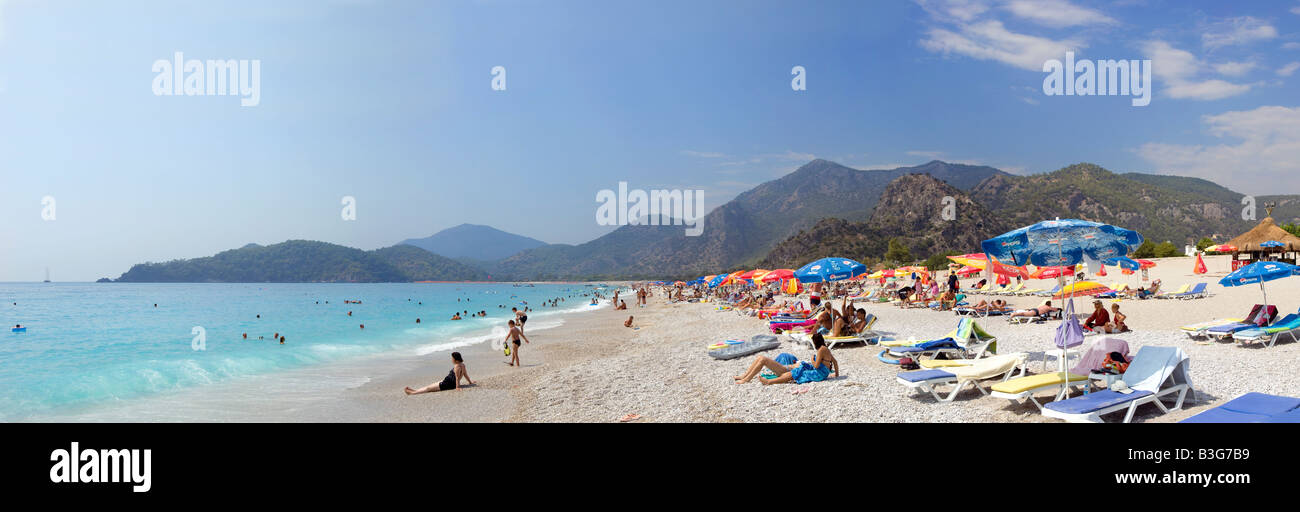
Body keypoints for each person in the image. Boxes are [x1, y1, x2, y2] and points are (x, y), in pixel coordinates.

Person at [733, 333, 839, 385]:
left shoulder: (821, 349)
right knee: (760, 357)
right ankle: (744, 376)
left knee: (763, 360)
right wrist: (836, 375)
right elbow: (835, 361)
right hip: (789, 368)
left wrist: (812, 360)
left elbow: (815, 366)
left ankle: (749, 379)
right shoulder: (826, 349)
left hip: (787, 370)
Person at [405, 352, 472, 394]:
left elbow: (457, 378)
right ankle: (415, 390)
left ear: (456, 360)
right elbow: (465, 374)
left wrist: (457, 387)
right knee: (429, 386)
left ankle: (412, 393)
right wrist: (470, 382)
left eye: (452, 358)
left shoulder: (457, 366)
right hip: (447, 382)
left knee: (428, 389)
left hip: (447, 384)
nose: (451, 360)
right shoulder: (462, 365)